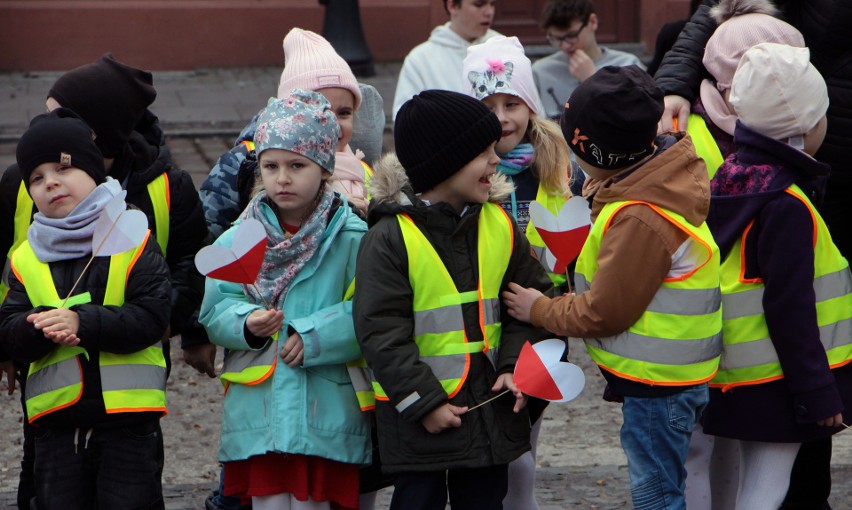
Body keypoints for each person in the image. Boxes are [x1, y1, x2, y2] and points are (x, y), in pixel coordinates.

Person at [502, 66, 723, 509]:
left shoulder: (640, 216)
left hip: (658, 388)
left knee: (657, 495)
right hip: (667, 381)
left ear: (591, 148)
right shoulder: (648, 182)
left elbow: (606, 310)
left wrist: (541, 309)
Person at [0, 53, 209, 510]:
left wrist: (173, 322)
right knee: (43, 483)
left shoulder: (163, 185)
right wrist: (15, 341)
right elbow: (11, 274)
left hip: (129, 382)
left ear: (96, 138)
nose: (49, 182)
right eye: (39, 177)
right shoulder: (22, 181)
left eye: (62, 117)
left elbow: (192, 259)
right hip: (50, 384)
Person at [353, 89, 554, 510]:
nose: (496, 161)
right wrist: (424, 403)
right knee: (417, 501)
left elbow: (532, 305)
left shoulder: (499, 224)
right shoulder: (389, 239)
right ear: (446, 163)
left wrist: (515, 366)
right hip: (421, 421)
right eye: (483, 153)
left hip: (488, 410)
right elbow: (381, 334)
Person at [199, 90, 371, 510]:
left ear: (325, 166)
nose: (283, 178)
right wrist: (245, 324)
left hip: (326, 406)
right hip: (261, 406)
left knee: (315, 502)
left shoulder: (352, 236)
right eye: (271, 166)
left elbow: (370, 311)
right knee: (269, 502)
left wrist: (315, 335)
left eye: (297, 165)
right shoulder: (239, 236)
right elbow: (216, 307)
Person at [698, 42, 852, 510]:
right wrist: (818, 392)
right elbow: (790, 307)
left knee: (747, 487)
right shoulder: (788, 203)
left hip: (731, 371)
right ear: (806, 125)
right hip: (779, 380)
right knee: (765, 491)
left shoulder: (730, 177)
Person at [462, 36, 572, 509]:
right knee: (487, 443)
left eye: (512, 103)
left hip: (540, 319)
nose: (502, 117)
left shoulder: (555, 169)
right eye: (487, 105)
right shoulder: (461, 172)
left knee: (522, 441)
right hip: (480, 324)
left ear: (530, 106)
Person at [201, 28, 384, 241]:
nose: (332, 123)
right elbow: (209, 236)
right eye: (320, 111)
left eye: (344, 113)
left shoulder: (363, 169)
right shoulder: (242, 163)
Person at [532, 0, 645, 120]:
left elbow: (636, 117)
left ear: (592, 22)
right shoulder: (540, 72)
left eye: (571, 36)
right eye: (556, 39)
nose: (565, 45)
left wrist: (593, 80)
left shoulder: (627, 64)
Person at [391, 0, 501, 120]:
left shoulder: (504, 47)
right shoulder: (420, 59)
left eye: (492, 4)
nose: (489, 12)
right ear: (452, 5)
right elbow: (403, 120)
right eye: (479, 4)